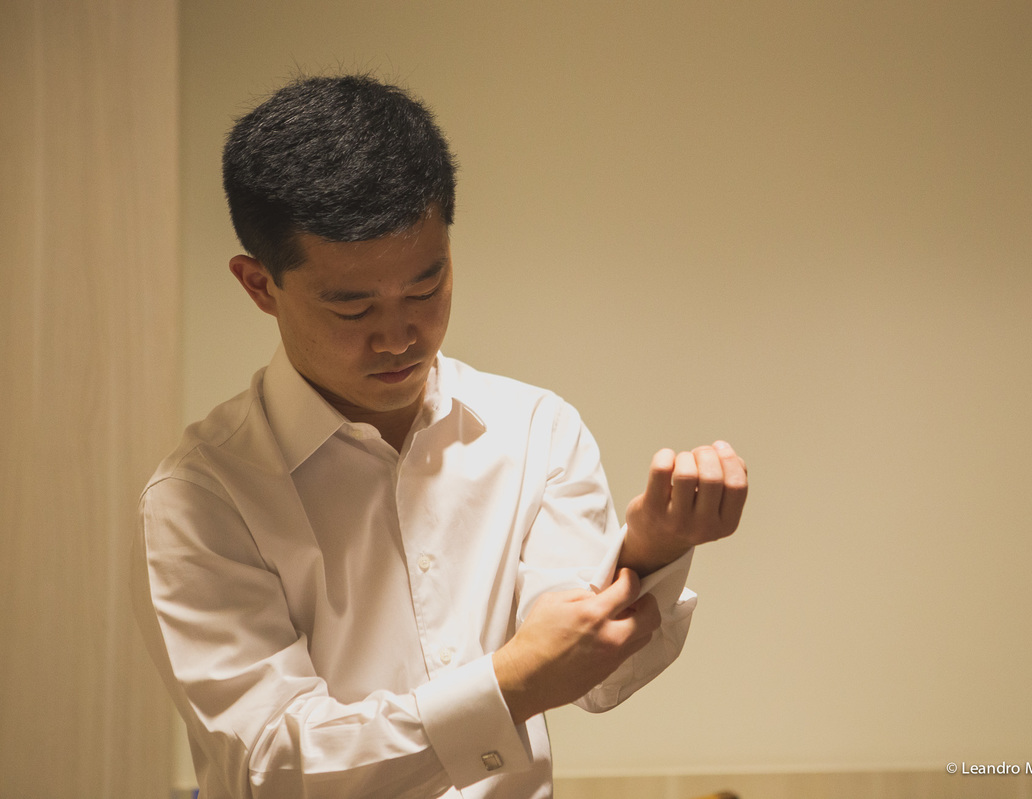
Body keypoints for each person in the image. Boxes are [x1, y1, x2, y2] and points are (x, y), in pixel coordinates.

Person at [131, 74, 748, 799]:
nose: (399, 335)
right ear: (259, 285)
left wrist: (649, 552)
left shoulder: (533, 431)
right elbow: (273, 767)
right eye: (352, 304)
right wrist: (509, 684)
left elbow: (596, 682)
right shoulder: (203, 496)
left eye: (426, 286)